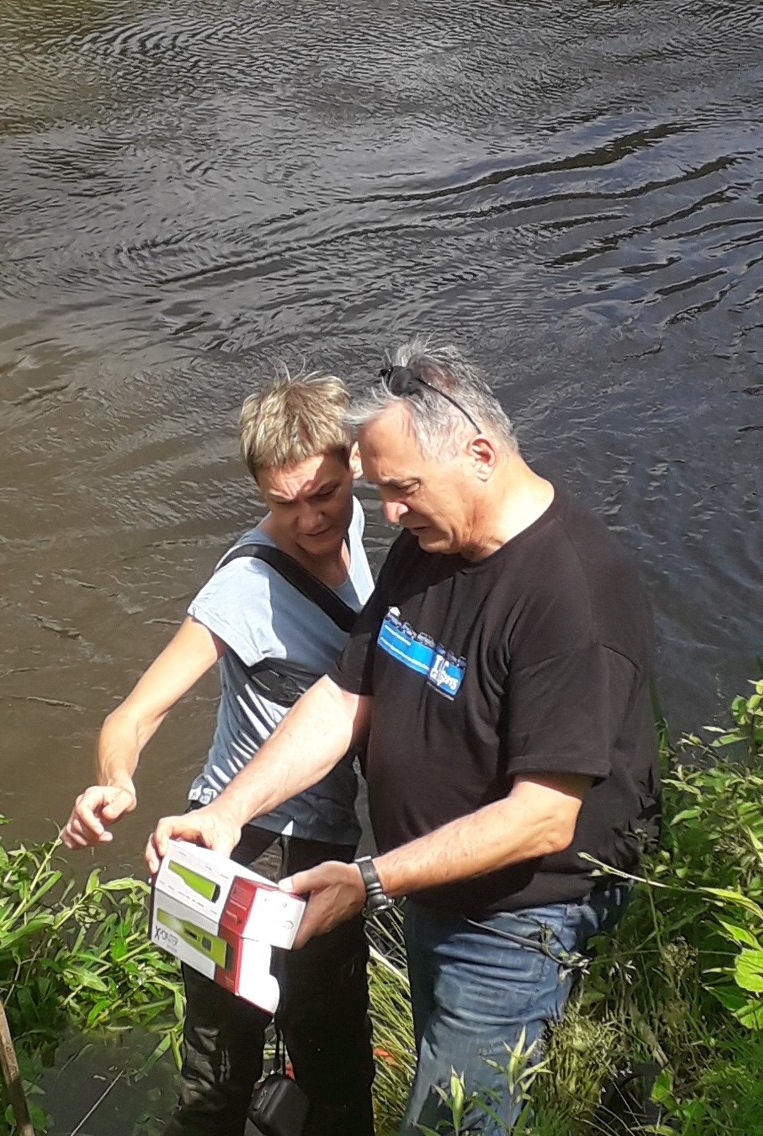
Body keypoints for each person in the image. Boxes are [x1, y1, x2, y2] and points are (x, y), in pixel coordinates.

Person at [146, 342, 662, 1136]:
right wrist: (229, 810)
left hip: (515, 922)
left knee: (448, 1123)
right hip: (430, 892)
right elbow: (344, 694)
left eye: (402, 489)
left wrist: (371, 880)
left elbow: (543, 817)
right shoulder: (429, 549)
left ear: (481, 454)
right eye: (381, 491)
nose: (386, 514)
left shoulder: (571, 592)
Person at [62, 369, 377, 1136]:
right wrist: (116, 782)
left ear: (355, 467)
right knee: (218, 1075)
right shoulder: (242, 588)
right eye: (282, 503)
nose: (308, 520)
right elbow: (133, 714)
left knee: (337, 1059)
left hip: (325, 842)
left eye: (323, 494)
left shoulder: (358, 522)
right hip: (239, 848)